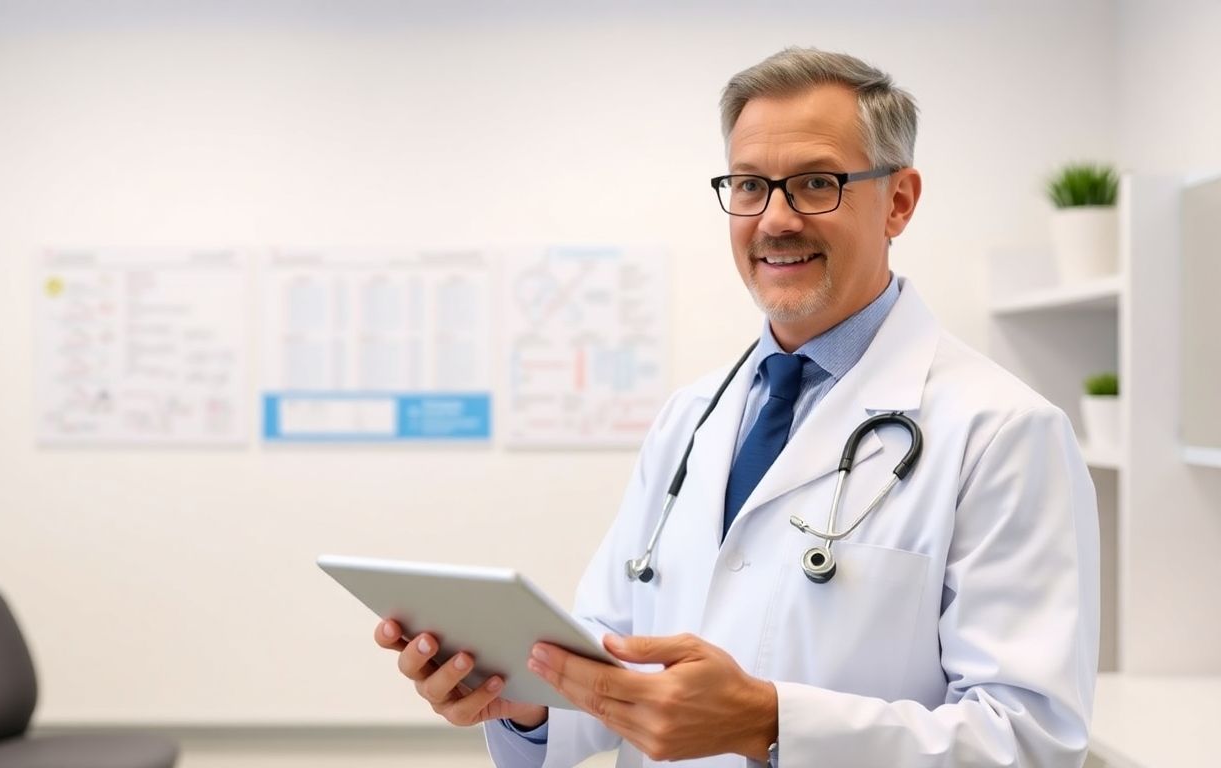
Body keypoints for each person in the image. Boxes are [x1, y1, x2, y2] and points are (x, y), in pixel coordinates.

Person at [373, 47, 1099, 767]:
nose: (776, 219)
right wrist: (525, 701)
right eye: (750, 186)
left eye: (817, 184)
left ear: (899, 202)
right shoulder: (691, 418)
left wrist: (770, 724)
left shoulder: (1003, 433)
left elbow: (1028, 740)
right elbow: (617, 649)